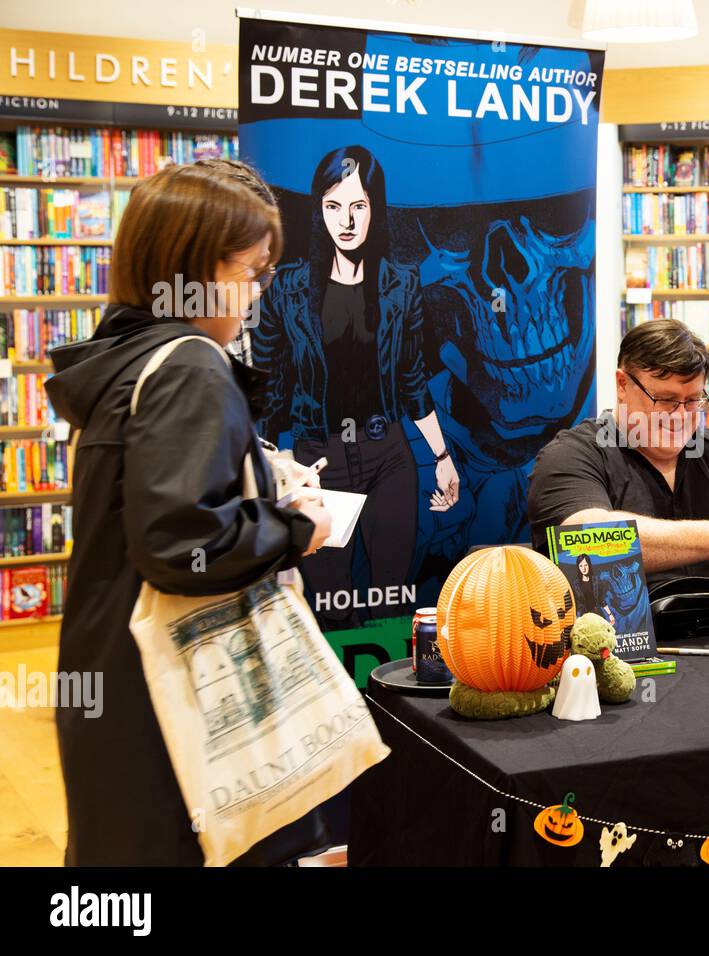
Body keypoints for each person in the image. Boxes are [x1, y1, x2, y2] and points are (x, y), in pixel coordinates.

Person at [44, 162, 334, 866]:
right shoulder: (191, 364)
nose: (258, 296)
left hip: (112, 672)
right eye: (251, 273)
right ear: (195, 268)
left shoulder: (124, 356)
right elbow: (180, 541)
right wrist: (300, 527)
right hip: (176, 694)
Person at [252, 144, 459, 629]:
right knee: (329, 608)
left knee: (394, 600)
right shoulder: (288, 289)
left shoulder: (401, 285)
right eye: (334, 206)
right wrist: (266, 472)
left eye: (359, 206)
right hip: (317, 462)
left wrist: (442, 458)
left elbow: (412, 380)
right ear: (319, 210)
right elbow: (266, 387)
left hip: (388, 455)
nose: (346, 220)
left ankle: (394, 703)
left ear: (375, 209)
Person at [527, 319, 709, 584]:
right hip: (613, 646)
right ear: (622, 384)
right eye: (667, 399)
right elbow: (584, 538)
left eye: (693, 400)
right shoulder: (572, 455)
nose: (681, 415)